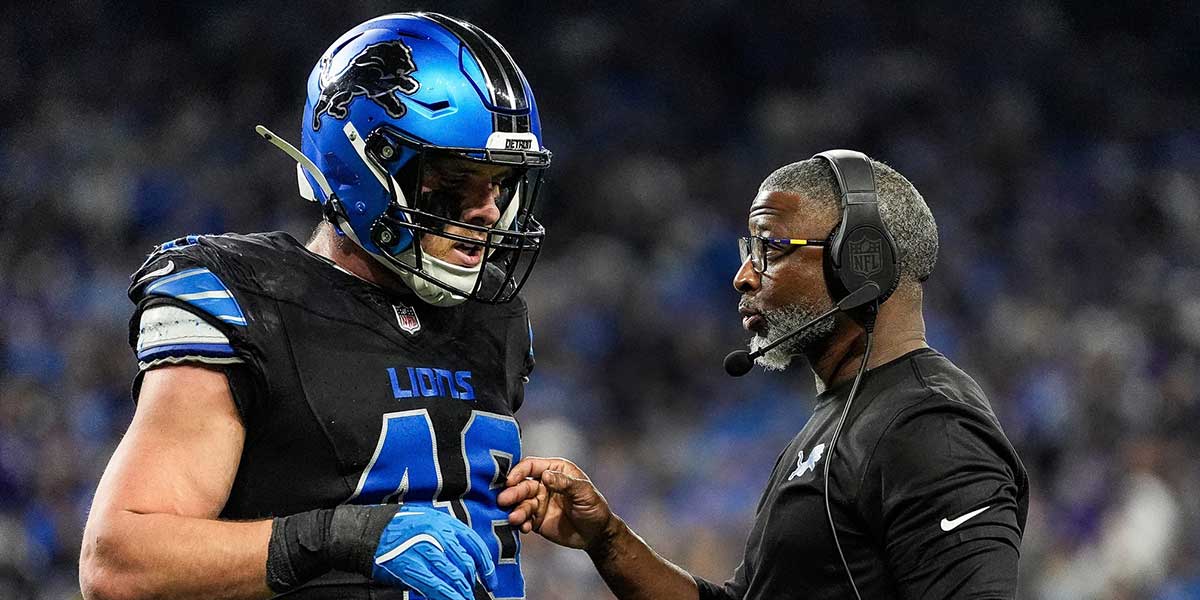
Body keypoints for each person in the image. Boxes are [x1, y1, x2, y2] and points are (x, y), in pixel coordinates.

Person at [79, 12, 550, 600]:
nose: (486, 210)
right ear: (364, 167)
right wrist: (341, 537)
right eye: (456, 181)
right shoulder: (246, 299)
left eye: (500, 184)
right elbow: (119, 564)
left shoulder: (496, 315)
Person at [499, 153, 1029, 599]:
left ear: (859, 262)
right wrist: (607, 538)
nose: (743, 275)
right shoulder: (843, 420)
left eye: (769, 248)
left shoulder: (930, 426)